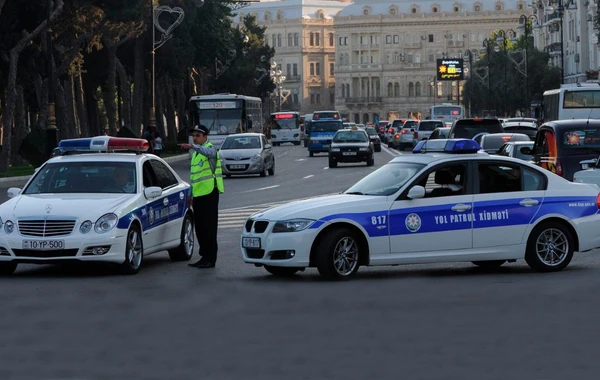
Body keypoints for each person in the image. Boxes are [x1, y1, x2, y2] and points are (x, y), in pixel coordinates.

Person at [178, 125, 224, 269]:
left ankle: (211, 258)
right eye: (194, 135)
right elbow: (194, 177)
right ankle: (204, 256)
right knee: (200, 228)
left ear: (205, 137)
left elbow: (208, 153)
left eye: (198, 135)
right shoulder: (196, 154)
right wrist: (190, 194)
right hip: (198, 194)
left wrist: (192, 146)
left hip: (210, 193)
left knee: (209, 228)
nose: (195, 138)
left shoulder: (210, 149)